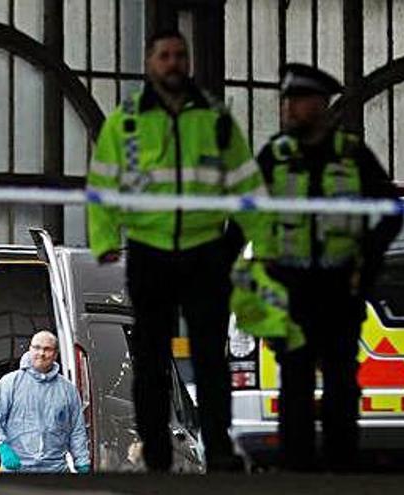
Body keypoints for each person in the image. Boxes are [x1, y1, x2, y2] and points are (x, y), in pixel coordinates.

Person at [86, 29, 267, 472]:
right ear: (149, 63)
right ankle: (157, 453)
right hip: (149, 252)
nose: (173, 63)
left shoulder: (218, 122)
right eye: (164, 55)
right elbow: (103, 185)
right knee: (150, 359)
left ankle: (219, 448)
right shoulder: (125, 122)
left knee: (210, 357)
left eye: (180, 55)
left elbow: (250, 189)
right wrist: (105, 240)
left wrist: (233, 244)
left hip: (206, 252)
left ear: (189, 63)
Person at [255, 63, 403, 471]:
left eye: (296, 101)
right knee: (295, 380)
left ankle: (342, 465)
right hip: (290, 291)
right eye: (287, 102)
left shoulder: (353, 156)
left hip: (339, 288)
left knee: (340, 380)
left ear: (319, 105)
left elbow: (391, 212)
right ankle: (295, 466)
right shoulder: (274, 156)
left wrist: (366, 263)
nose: (287, 109)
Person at [0, 331, 90, 473]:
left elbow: (77, 430)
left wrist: (82, 462)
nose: (41, 353)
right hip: (17, 468)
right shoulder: (9, 383)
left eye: (47, 349)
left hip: (55, 470)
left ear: (56, 354)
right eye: (36, 347)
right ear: (30, 349)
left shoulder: (68, 390)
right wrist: (2, 448)